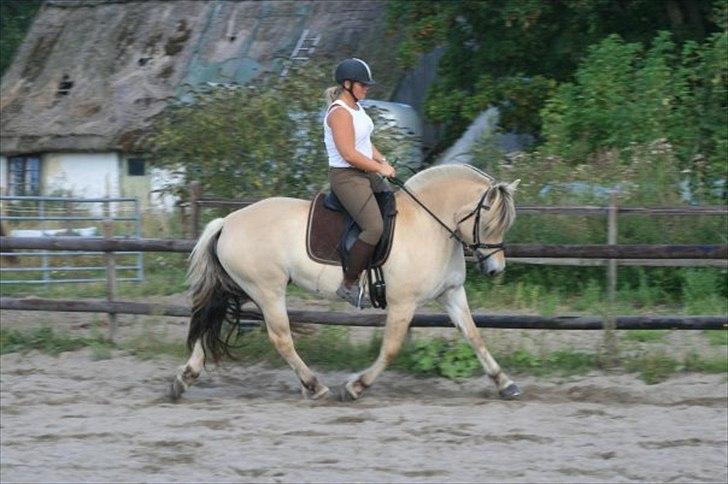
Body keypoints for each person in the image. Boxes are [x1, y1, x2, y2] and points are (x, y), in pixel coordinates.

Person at [323, 58, 396, 308]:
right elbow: (349, 153)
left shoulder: (356, 108)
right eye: (362, 85)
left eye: (367, 85)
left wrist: (383, 159)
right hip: (346, 176)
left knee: (394, 206)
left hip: (364, 171)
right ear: (347, 84)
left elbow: (364, 143)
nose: (366, 89)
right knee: (374, 227)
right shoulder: (339, 112)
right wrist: (380, 168)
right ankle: (349, 283)